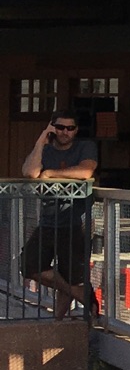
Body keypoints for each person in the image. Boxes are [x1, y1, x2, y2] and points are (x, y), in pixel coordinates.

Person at [18, 110, 97, 321]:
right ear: (53, 128)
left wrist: (51, 174)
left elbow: (86, 171)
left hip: (76, 222)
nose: (65, 132)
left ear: (76, 130)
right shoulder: (45, 149)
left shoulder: (85, 146)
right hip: (48, 220)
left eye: (70, 128)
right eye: (60, 127)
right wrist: (41, 138)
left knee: (70, 275)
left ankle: (57, 323)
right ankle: (81, 294)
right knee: (29, 266)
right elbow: (29, 172)